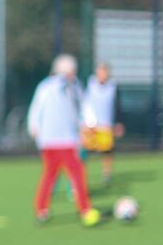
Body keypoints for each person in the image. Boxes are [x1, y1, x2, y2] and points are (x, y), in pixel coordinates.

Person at [27, 54, 100, 227]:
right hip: (51, 140)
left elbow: (83, 106)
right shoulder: (47, 87)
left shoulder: (74, 87)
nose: (73, 74)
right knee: (55, 175)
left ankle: (81, 209)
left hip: (68, 139)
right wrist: (34, 128)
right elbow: (36, 109)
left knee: (72, 174)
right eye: (70, 71)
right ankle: (45, 209)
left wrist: (90, 124)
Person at [81, 62, 124, 184]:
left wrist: (119, 123)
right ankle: (81, 174)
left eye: (105, 72)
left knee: (107, 151)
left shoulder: (113, 86)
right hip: (90, 125)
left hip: (106, 124)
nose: (103, 75)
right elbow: (83, 103)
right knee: (85, 151)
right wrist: (83, 121)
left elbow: (118, 106)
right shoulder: (89, 84)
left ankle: (106, 174)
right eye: (100, 72)